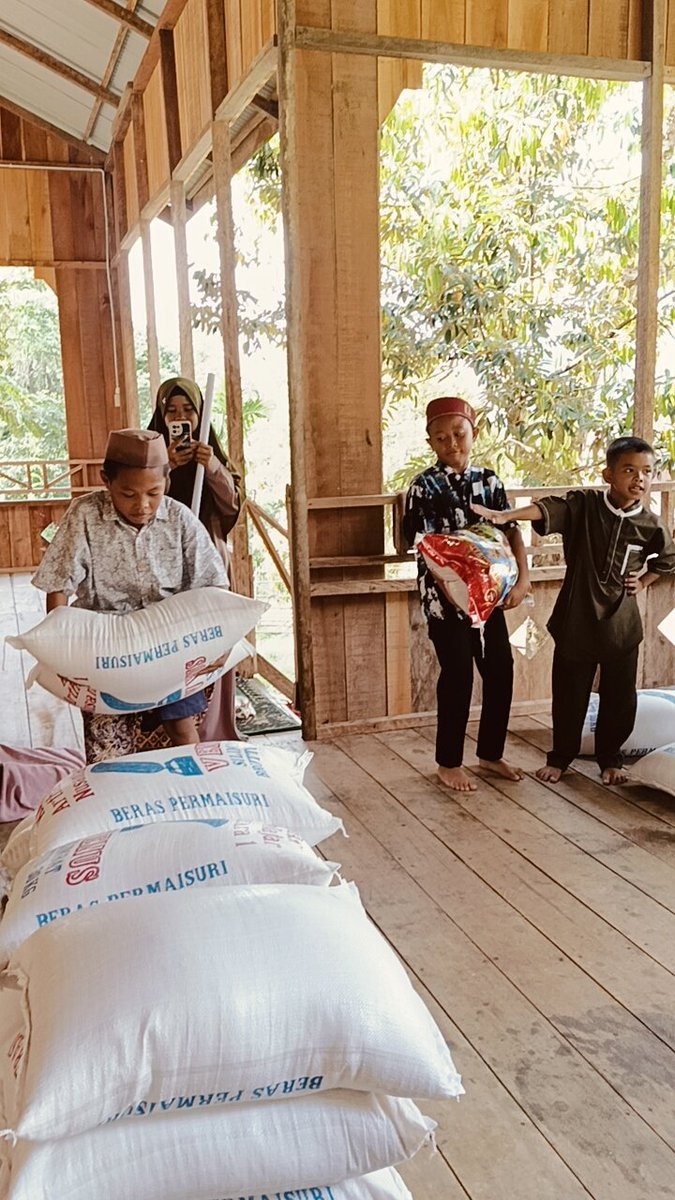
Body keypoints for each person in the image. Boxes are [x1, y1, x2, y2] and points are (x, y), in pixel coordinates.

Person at [472, 436, 675, 786]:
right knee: (569, 694)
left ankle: (610, 759)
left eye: (646, 471)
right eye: (629, 470)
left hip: (622, 626)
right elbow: (547, 508)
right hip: (576, 621)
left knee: (620, 698)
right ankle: (560, 758)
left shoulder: (652, 524)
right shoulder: (585, 506)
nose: (639, 479)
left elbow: (668, 559)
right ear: (608, 474)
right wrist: (506, 515)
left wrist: (642, 582)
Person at [32, 429, 229, 754]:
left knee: (183, 730)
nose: (142, 505)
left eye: (153, 492)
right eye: (127, 493)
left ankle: (192, 789)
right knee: (107, 745)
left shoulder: (179, 518)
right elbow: (58, 586)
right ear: (106, 480)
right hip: (106, 647)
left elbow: (214, 585)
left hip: (170, 645)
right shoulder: (85, 515)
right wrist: (62, 650)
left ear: (167, 479)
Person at [403, 394, 531, 793]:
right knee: (457, 673)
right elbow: (427, 545)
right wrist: (456, 588)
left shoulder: (489, 481)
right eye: (441, 438)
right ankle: (448, 762)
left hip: (489, 595)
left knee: (501, 669)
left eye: (459, 433)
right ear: (430, 444)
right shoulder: (422, 486)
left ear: (474, 432)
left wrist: (522, 579)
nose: (452, 443)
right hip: (445, 599)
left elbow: (510, 531)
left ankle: (490, 754)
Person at [149, 377, 243, 741]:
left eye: (188, 410)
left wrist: (214, 466)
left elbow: (232, 506)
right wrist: (166, 466)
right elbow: (146, 499)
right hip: (165, 563)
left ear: (201, 413)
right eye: (171, 411)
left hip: (209, 561)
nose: (179, 417)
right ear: (160, 415)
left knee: (211, 642)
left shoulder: (214, 454)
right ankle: (166, 728)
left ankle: (212, 727)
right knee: (172, 644)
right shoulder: (152, 457)